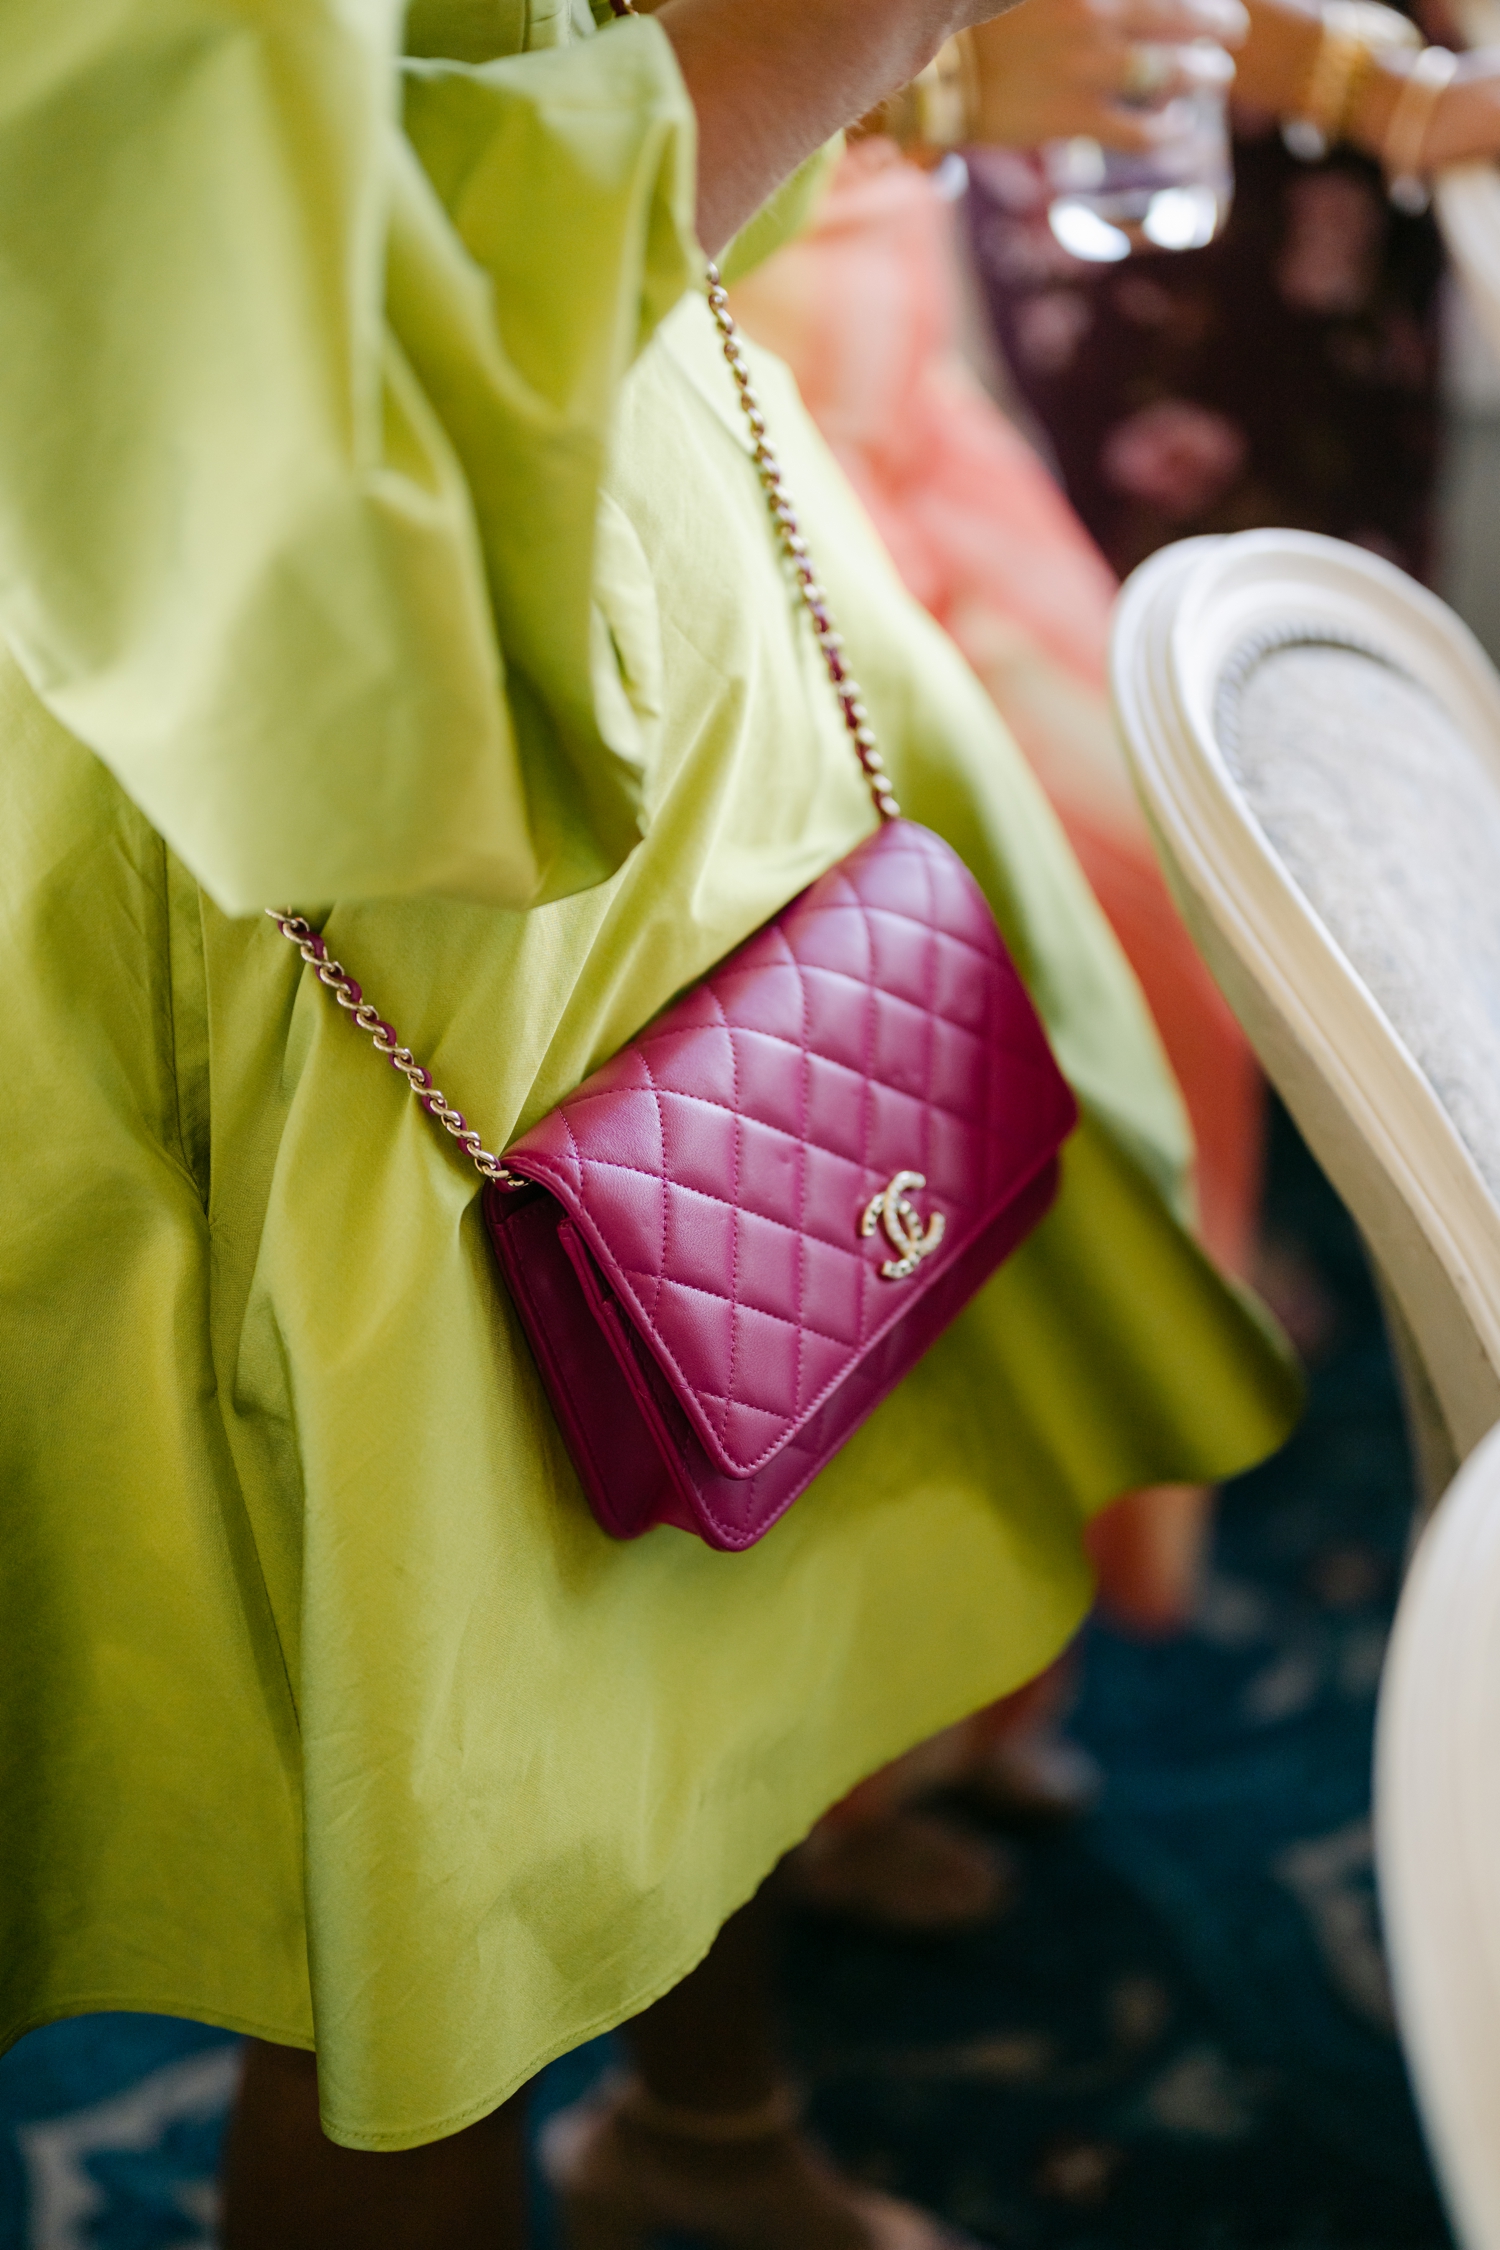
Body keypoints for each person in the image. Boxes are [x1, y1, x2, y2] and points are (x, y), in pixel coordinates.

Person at [0, 1, 1302, 2243]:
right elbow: (242, 383)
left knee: (761, 1483)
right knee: (421, 1822)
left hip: (677, 577)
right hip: (349, 841)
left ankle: (705, 2135)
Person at [970, 0, 1500, 580]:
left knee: (1364, 564)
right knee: (1250, 589)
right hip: (1160, 162)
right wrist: (1385, 95)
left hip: (1347, 166)